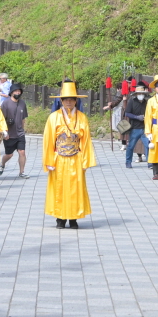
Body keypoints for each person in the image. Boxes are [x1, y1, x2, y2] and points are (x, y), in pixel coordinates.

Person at [43, 82, 96, 229]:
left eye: (71, 99)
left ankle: (73, 219)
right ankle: (60, 218)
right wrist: (49, 160)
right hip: (59, 158)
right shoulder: (53, 117)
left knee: (75, 188)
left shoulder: (82, 118)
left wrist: (85, 161)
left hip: (76, 158)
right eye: (65, 99)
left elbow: (86, 141)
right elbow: (48, 140)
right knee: (59, 188)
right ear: (61, 100)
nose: (68, 102)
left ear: (76, 101)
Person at [0, 83, 30, 178]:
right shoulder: (6, 103)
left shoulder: (22, 103)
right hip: (9, 134)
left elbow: (23, 118)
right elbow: (1, 119)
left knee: (22, 152)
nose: (18, 93)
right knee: (9, 155)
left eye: (19, 91)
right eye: (16, 91)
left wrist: (23, 129)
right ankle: (2, 164)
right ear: (11, 92)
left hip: (20, 133)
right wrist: (4, 132)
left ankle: (22, 172)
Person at [124, 84, 148, 168]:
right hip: (135, 128)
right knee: (131, 146)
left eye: (142, 93)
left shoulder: (146, 102)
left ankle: (150, 163)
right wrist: (137, 117)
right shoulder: (132, 101)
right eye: (139, 93)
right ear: (136, 94)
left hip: (145, 128)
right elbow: (127, 113)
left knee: (148, 146)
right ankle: (128, 162)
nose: (141, 95)